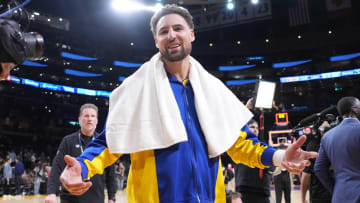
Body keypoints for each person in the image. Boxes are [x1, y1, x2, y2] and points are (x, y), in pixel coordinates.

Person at [59, 4, 318, 203]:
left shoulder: (213, 90)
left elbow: (240, 143)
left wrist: (281, 156)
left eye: (178, 28)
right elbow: (110, 141)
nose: (171, 35)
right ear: (156, 41)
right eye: (163, 31)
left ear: (191, 35)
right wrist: (81, 167)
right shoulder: (136, 88)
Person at [45, 103, 117, 203]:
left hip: (96, 199)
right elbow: (57, 167)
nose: (90, 119)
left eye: (93, 116)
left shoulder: (104, 144)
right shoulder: (68, 141)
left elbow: (111, 173)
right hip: (70, 199)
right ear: (79, 119)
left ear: (97, 120)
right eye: (86, 116)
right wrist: (51, 193)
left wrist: (111, 197)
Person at [315, 96, 360, 202]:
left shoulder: (327, 136)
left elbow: (319, 168)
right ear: (354, 109)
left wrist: (336, 188)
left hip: (340, 196)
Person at [234, 119, 273, 203]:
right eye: (252, 127)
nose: (255, 129)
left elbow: (271, 168)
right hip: (243, 191)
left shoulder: (262, 147)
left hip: (262, 192)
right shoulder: (238, 146)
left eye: (257, 128)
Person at [300, 121, 332, 203]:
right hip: (329, 194)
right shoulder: (336, 144)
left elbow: (305, 177)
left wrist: (303, 199)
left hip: (321, 195)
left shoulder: (313, 146)